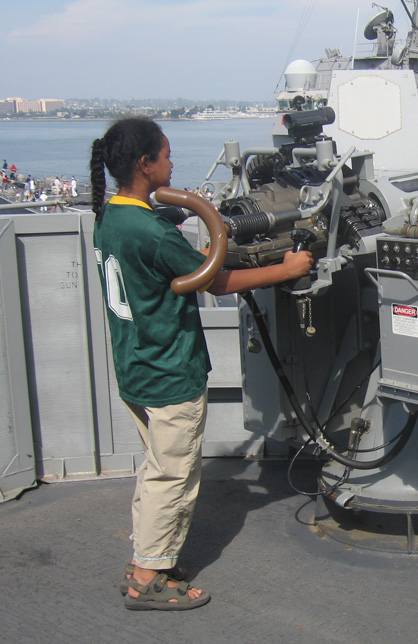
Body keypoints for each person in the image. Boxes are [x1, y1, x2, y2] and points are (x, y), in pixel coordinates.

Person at [90, 117, 313, 611]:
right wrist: (288, 268)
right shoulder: (151, 232)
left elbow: (151, 267)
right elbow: (215, 280)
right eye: (166, 156)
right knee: (174, 477)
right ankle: (148, 578)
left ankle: (146, 558)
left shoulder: (110, 217)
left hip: (135, 368)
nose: (173, 163)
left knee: (157, 469)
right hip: (169, 371)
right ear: (145, 165)